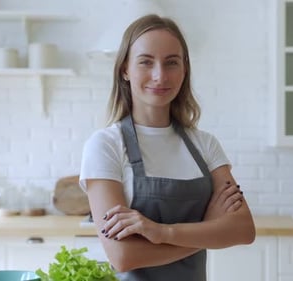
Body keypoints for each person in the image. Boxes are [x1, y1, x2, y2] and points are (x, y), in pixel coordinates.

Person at [79, 14, 255, 281]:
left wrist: (160, 232)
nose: (160, 75)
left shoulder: (205, 145)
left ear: (184, 70)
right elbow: (123, 256)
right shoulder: (105, 146)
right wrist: (210, 229)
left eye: (171, 62)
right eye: (146, 62)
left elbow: (243, 230)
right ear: (125, 69)